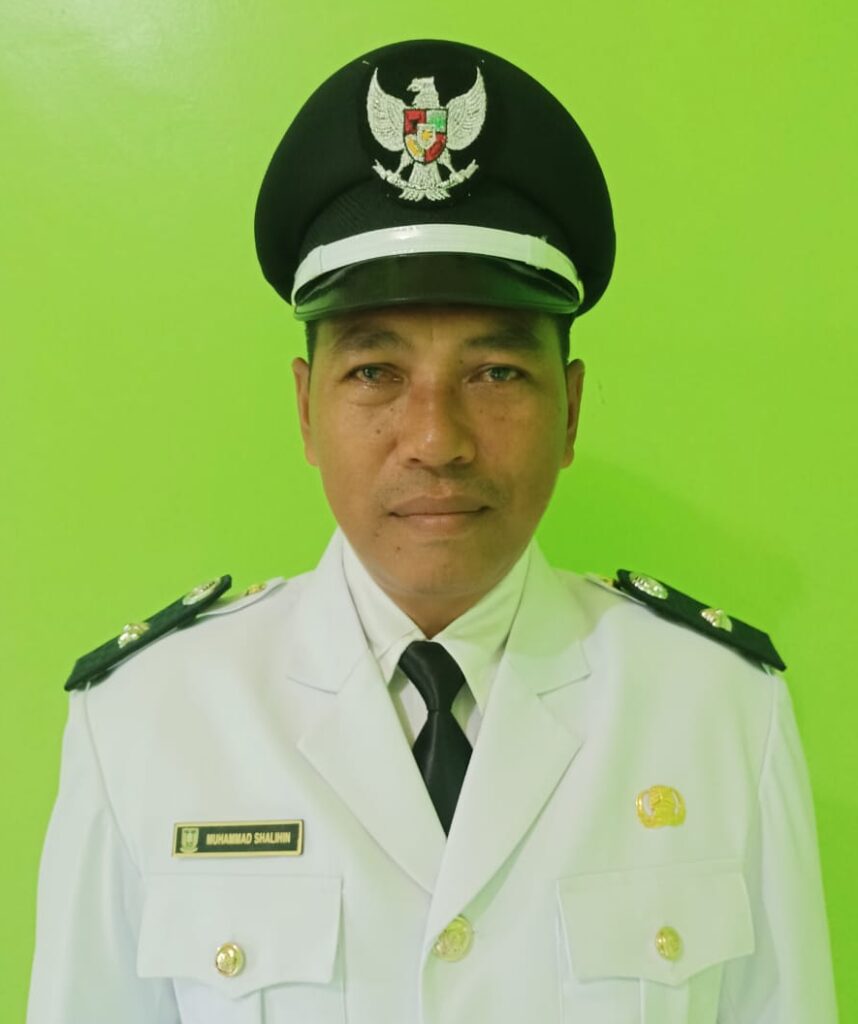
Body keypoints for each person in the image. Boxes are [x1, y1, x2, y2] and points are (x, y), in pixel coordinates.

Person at [28, 38, 837, 1024]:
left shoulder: (720, 711)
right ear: (306, 409)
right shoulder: (148, 720)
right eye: (376, 372)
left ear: (572, 410)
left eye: (496, 373)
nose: (436, 440)